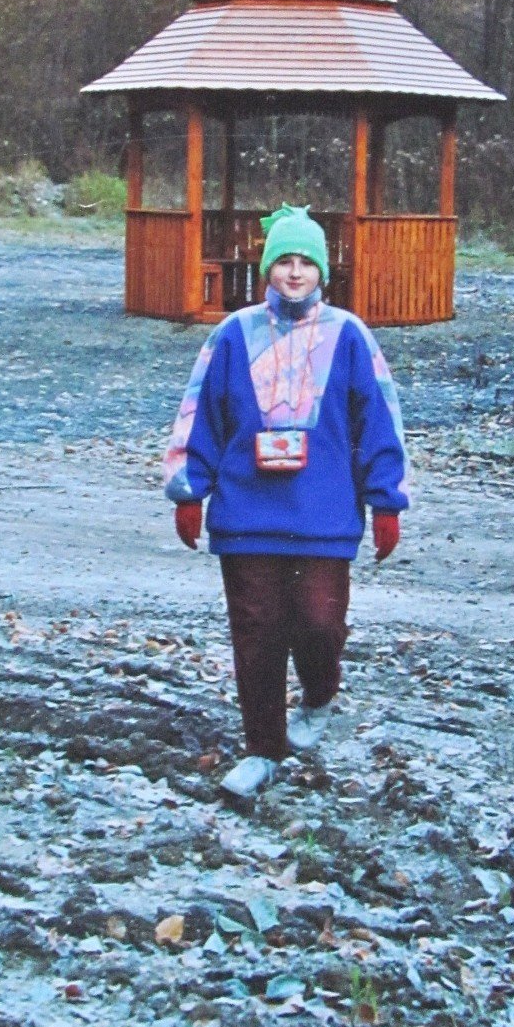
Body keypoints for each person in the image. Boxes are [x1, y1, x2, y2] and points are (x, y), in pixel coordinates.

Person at [163, 204, 409, 799]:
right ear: (268, 268)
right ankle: (262, 748)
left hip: (323, 513)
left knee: (321, 624)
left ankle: (321, 694)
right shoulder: (233, 335)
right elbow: (201, 414)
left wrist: (386, 502)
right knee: (257, 632)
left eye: (306, 263)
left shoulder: (349, 336)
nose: (295, 273)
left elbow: (378, 420)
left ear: (323, 271)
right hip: (247, 512)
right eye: (284, 262)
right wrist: (189, 490)